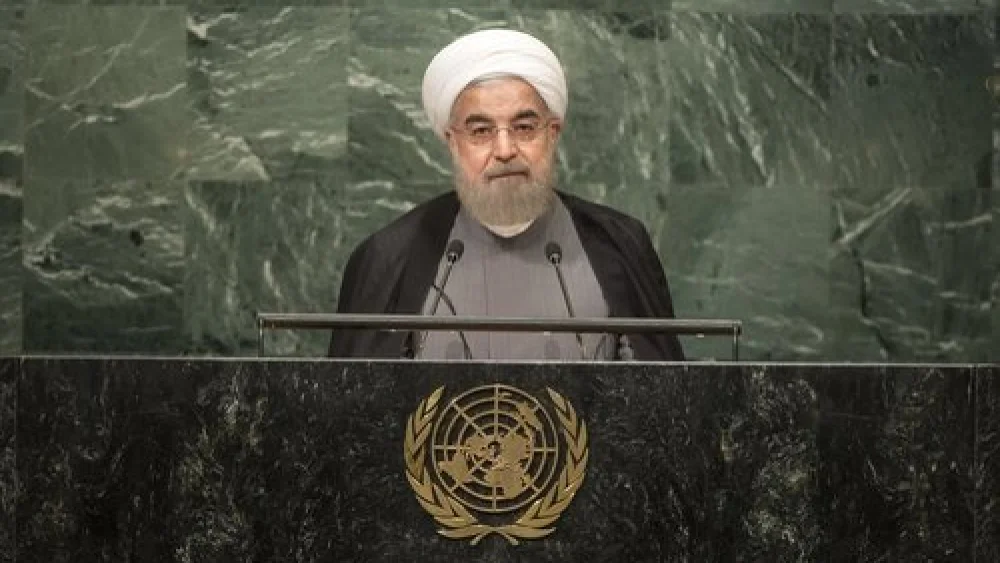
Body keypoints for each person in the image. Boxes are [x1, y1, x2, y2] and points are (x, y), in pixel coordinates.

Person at [328, 29, 684, 361]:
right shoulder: (389, 256)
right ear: (452, 142)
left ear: (553, 133)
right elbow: (349, 413)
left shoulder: (619, 246)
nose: (505, 149)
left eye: (524, 127)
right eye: (480, 130)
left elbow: (670, 404)